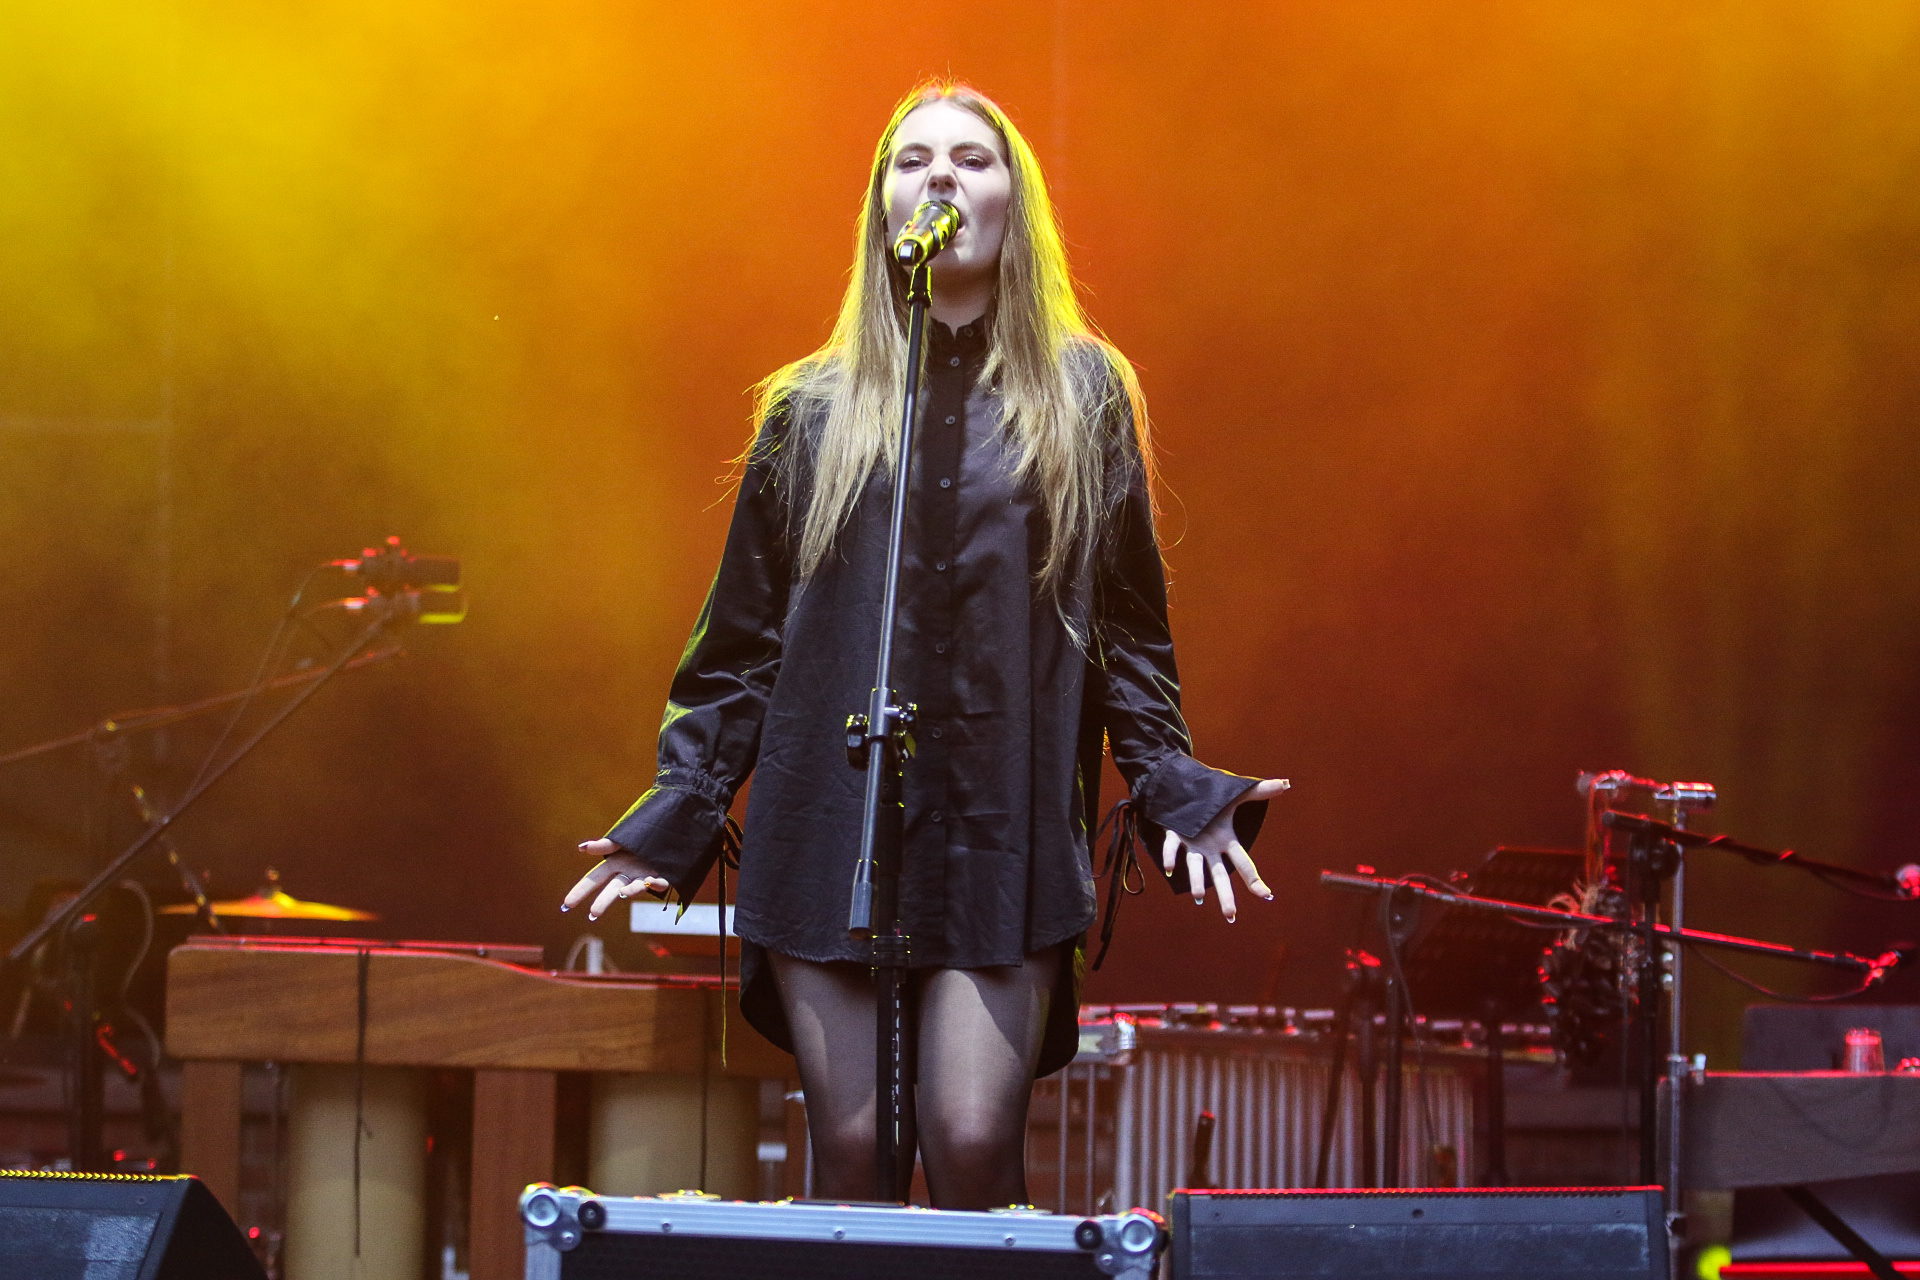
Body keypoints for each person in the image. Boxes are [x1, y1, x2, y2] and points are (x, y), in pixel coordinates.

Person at [563, 82, 1287, 1210]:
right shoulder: (811, 408)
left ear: (1013, 204)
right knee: (852, 1151)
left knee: (970, 1137)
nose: (940, 174)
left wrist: (1169, 782)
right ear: (883, 208)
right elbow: (742, 638)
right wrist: (684, 804)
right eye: (912, 161)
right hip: (831, 822)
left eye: (971, 158)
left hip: (1001, 824)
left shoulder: (1082, 395)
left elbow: (1127, 626)